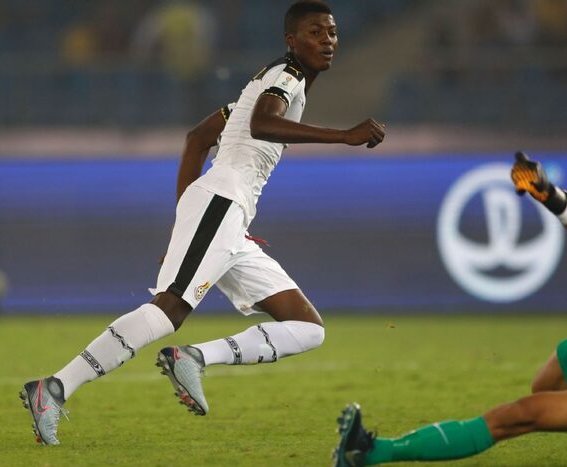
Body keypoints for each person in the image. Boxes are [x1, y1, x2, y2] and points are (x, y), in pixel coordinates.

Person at [20, 0, 386, 445]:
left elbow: (198, 138)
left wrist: (185, 222)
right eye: (315, 32)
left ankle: (193, 358)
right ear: (292, 40)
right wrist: (343, 136)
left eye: (331, 33)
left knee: (306, 327)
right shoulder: (285, 76)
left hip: (230, 218)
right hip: (221, 203)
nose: (327, 40)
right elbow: (264, 123)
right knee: (170, 308)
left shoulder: (266, 82)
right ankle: (54, 389)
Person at [333, 147, 567, 466]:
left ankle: (371, 452)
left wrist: (550, 197)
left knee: (520, 415)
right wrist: (545, 188)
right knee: (546, 384)